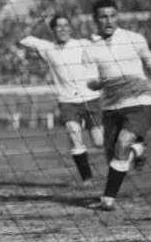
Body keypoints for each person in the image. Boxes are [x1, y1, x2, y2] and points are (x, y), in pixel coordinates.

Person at [86, 0, 151, 211]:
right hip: (110, 107)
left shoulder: (134, 39)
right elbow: (89, 82)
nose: (109, 20)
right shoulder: (90, 48)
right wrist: (98, 83)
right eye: (103, 17)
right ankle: (138, 150)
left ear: (118, 16)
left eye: (113, 15)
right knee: (113, 155)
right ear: (95, 20)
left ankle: (108, 199)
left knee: (121, 145)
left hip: (139, 102)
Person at [17, 14, 104, 185]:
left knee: (99, 142)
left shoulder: (83, 44)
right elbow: (24, 38)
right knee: (74, 136)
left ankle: (133, 146)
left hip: (91, 99)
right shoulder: (47, 48)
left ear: (71, 28)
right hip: (67, 102)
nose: (63, 29)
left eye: (66, 25)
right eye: (59, 26)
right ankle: (87, 179)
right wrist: (40, 20)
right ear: (53, 30)